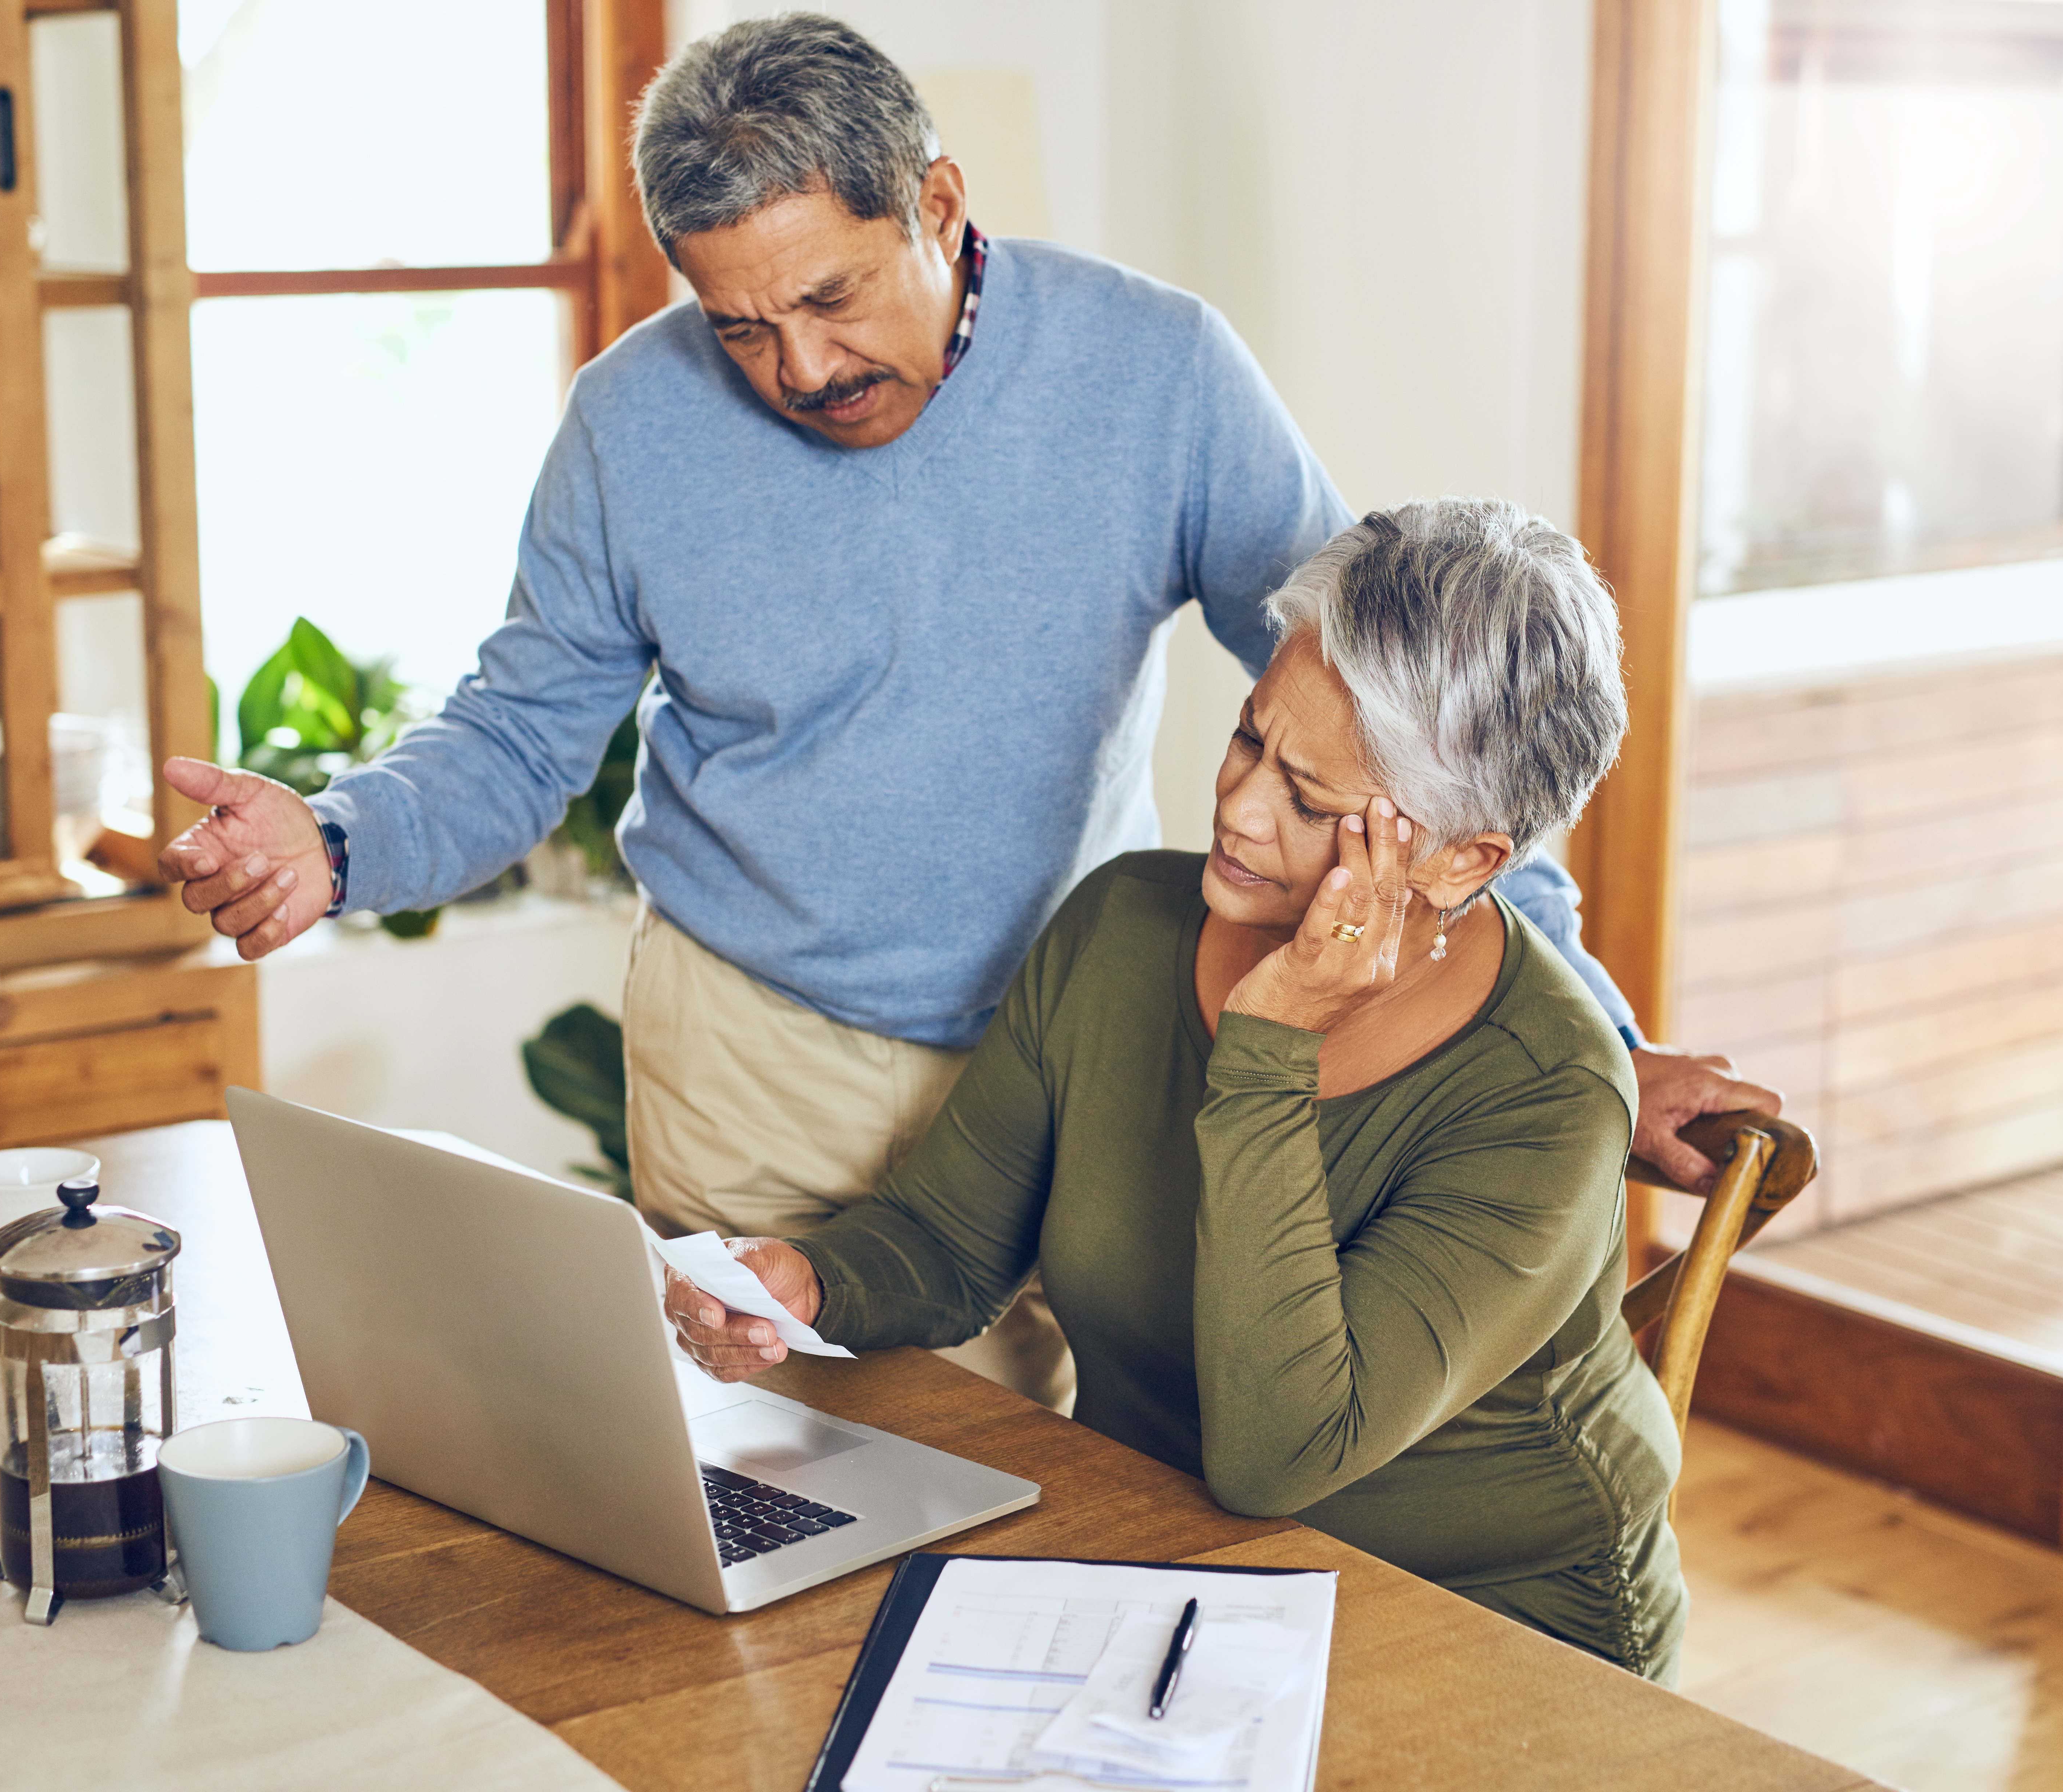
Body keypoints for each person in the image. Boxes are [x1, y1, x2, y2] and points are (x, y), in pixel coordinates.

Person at [152, 15, 1774, 1413]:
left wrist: (1596, 1040)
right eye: (738, 324)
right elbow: (521, 732)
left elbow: (1415, 715)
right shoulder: (629, 424)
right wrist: (339, 835)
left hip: (1091, 1040)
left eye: (834, 297)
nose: (795, 366)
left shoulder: (1156, 376)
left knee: (1124, 1483)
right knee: (837, 1521)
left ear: (937, 201)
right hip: (759, 1061)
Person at [667, 501, 1689, 1683]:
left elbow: (1279, 1454)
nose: (1241, 808)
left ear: (1462, 858)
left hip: (1487, 1625)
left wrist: (1270, 1046)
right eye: (1254, 740)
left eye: (1311, 802)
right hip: (1160, 1565)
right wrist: (815, 1280)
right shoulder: (1124, 924)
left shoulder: (1548, 1096)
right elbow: (948, 1240)